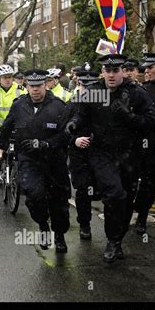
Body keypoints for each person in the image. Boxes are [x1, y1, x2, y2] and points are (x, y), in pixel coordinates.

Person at [66, 54, 155, 262]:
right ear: (103, 72)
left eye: (116, 71)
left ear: (122, 71)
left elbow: (151, 122)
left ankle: (117, 240)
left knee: (126, 200)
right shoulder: (94, 92)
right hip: (102, 153)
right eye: (108, 71)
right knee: (114, 194)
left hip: (130, 155)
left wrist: (129, 117)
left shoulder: (136, 93)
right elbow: (81, 114)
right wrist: (74, 125)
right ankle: (112, 239)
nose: (112, 75)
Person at [0, 70, 71, 253]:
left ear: (45, 85)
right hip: (29, 160)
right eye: (31, 86)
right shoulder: (19, 105)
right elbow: (6, 127)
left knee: (59, 202)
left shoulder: (59, 106)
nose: (35, 90)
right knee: (33, 195)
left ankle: (59, 235)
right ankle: (43, 225)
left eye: (39, 86)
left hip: (54, 161)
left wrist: (45, 144)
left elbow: (65, 135)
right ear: (26, 86)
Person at [64, 68, 100, 240]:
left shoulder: (104, 103)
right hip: (79, 154)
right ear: (79, 84)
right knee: (83, 189)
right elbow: (63, 130)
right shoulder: (73, 104)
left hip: (101, 153)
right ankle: (84, 224)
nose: (88, 89)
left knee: (106, 190)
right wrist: (74, 140)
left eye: (91, 85)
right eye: (84, 85)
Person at [133, 53, 155, 235]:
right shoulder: (143, 91)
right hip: (150, 146)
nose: (146, 71)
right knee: (147, 184)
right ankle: (142, 218)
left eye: (150, 67)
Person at [0, 65, 27, 183]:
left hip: (17, 126)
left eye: (10, 77)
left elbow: (28, 107)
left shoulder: (21, 89)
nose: (7, 80)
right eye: (4, 77)